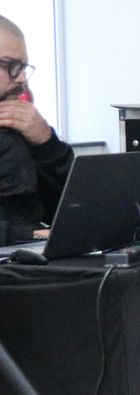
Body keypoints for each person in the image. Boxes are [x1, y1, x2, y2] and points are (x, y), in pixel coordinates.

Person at [0, 15, 72, 245]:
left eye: (22, 67)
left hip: (26, 259)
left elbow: (71, 207)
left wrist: (46, 143)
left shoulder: (14, 128)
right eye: (11, 65)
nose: (21, 78)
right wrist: (32, 235)